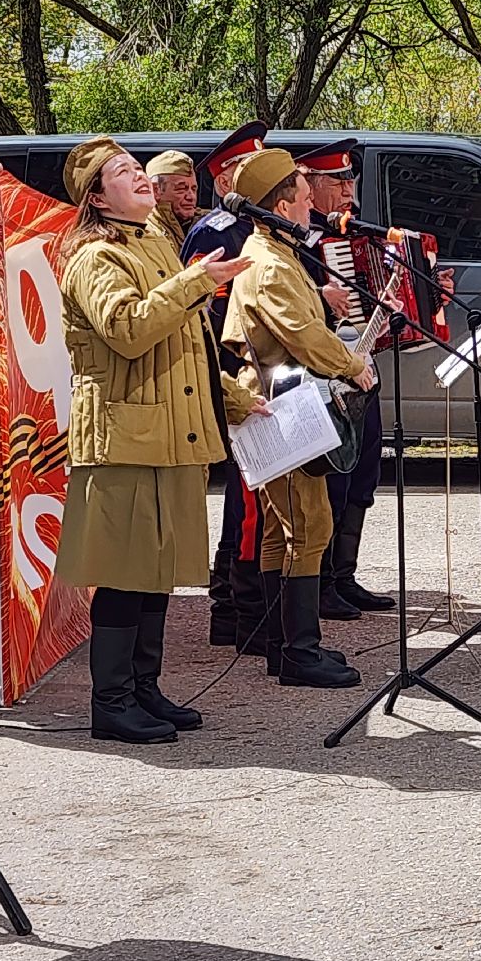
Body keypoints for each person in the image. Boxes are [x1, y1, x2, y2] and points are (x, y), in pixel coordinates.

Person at [56, 135, 264, 744]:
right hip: (124, 438)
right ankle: (111, 702)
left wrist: (237, 400)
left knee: (156, 573)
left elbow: (190, 347)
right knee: (124, 574)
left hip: (171, 436)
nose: (140, 177)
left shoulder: (153, 240)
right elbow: (128, 328)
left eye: (136, 168)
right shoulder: (94, 256)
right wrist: (194, 282)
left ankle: (144, 689)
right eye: (122, 173)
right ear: (97, 196)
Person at [220, 147, 372, 688]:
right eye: (306, 199)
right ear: (283, 204)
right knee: (308, 525)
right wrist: (353, 365)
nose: (313, 209)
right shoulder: (269, 264)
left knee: (284, 529)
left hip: (276, 399)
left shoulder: (276, 255)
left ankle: (288, 648)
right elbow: (302, 336)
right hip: (276, 403)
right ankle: (298, 651)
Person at [299, 140, 398, 619]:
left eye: (349, 180)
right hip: (323, 381)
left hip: (362, 375)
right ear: (308, 187)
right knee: (333, 480)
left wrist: (404, 310)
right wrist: (323, 299)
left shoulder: (357, 237)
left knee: (362, 476)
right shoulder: (301, 241)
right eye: (335, 181)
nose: (346, 190)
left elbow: (371, 316)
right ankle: (318, 585)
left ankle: (343, 575)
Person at [180, 122, 269, 654]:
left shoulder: (265, 229)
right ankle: (232, 609)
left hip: (262, 376)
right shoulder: (216, 232)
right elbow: (204, 319)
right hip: (232, 375)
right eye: (245, 170)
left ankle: (241, 606)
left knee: (256, 497)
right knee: (247, 501)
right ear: (226, 180)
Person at [145, 149, 202, 252]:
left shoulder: (207, 223)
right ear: (156, 190)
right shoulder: (144, 232)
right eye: (181, 189)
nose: (191, 197)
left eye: (194, 189)